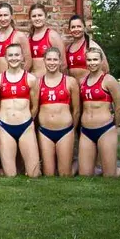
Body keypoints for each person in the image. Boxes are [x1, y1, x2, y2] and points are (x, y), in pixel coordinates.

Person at [0, 43, 40, 177]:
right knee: (10, 175)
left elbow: (35, 106)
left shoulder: (31, 79)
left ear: (22, 57)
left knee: (34, 174)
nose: (13, 58)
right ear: (5, 57)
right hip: (5, 127)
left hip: (25, 126)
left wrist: (27, 121)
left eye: (16, 55)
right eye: (10, 55)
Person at [79, 47, 120, 177]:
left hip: (105, 129)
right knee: (84, 175)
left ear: (101, 61)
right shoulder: (83, 81)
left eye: (95, 59)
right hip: (86, 131)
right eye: (89, 60)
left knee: (109, 175)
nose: (92, 63)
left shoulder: (109, 80)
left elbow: (119, 106)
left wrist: (114, 126)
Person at [37, 47, 80, 177]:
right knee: (49, 174)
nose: (52, 62)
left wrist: (72, 129)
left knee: (64, 175)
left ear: (60, 61)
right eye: (49, 59)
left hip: (65, 131)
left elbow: (76, 110)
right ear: (44, 61)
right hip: (45, 132)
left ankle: (78, 163)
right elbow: (34, 108)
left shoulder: (70, 82)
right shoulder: (38, 82)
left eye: (55, 59)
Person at [66, 15, 110, 83]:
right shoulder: (68, 48)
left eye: (79, 26)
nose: (76, 29)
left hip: (89, 88)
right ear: (69, 30)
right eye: (73, 27)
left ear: (84, 27)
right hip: (74, 90)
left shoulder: (92, 46)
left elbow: (106, 69)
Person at [0, 2, 31, 75]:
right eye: (0, 16)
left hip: (12, 81)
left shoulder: (19, 36)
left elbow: (28, 61)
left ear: (11, 16)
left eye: (5, 15)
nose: (3, 19)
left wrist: (20, 78)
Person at [28, 3, 66, 78]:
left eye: (40, 15)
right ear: (30, 18)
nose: (37, 18)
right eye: (34, 16)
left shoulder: (52, 35)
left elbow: (63, 64)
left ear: (45, 17)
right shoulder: (29, 38)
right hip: (34, 83)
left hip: (48, 83)